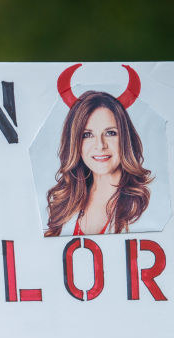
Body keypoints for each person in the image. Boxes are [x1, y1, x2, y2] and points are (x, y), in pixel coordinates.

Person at [44, 90, 152, 237]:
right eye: (87, 135)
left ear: (125, 138)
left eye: (110, 133)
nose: (100, 145)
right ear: (75, 143)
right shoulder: (65, 202)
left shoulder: (146, 201)